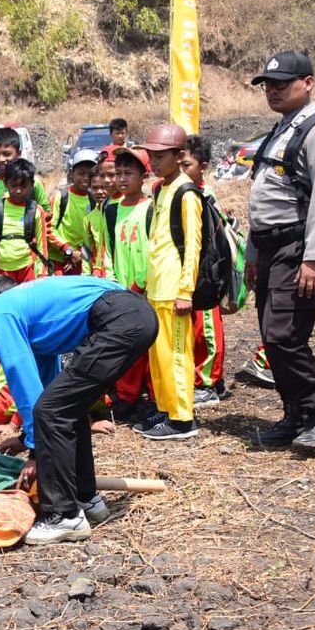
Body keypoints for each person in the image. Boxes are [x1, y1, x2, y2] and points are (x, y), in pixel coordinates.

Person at [0, 278, 158, 543]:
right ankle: (85, 497)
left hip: (119, 320)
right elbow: (45, 386)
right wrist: (28, 441)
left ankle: (64, 516)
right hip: (135, 315)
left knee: (52, 411)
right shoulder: (18, 313)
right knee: (67, 407)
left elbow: (23, 383)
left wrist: (37, 453)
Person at [245, 50, 315, 449]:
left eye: (281, 84)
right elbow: (263, 197)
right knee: (272, 338)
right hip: (270, 249)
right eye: (268, 85)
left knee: (283, 335)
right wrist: (253, 254)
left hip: (297, 248)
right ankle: (296, 414)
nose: (273, 91)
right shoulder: (282, 129)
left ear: (308, 83)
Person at [135, 124, 202, 441]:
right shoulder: (161, 189)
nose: (155, 162)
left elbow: (193, 245)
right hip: (157, 288)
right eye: (152, 155)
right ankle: (165, 408)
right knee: (159, 355)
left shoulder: (186, 193)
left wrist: (185, 290)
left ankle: (182, 419)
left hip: (175, 289)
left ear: (180, 155)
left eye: (161, 156)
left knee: (176, 355)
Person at [107, 147, 155, 422]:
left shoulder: (151, 208)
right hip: (120, 289)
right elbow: (108, 248)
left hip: (145, 290)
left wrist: (140, 282)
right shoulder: (111, 210)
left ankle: (153, 397)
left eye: (129, 173)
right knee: (126, 344)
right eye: (119, 173)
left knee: (150, 344)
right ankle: (126, 396)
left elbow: (154, 251)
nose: (122, 179)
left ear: (143, 176)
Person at [180, 136, 227, 406]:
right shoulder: (177, 192)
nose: (181, 169)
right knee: (194, 329)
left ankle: (208, 383)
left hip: (205, 275)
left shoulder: (204, 198)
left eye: (186, 165)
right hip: (187, 274)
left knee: (207, 328)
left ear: (204, 167)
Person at [0, 158, 48, 287]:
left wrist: (42, 275)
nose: (18, 190)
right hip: (3, 270)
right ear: (6, 183)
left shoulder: (36, 211)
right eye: (14, 185)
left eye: (23, 186)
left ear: (32, 185)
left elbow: (42, 246)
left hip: (28, 269)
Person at [46, 150, 97, 275]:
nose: (86, 178)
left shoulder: (94, 200)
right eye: (81, 173)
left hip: (82, 260)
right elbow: (48, 229)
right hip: (58, 261)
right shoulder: (60, 197)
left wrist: (79, 254)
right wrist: (68, 251)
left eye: (90, 174)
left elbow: (93, 234)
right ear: (71, 173)